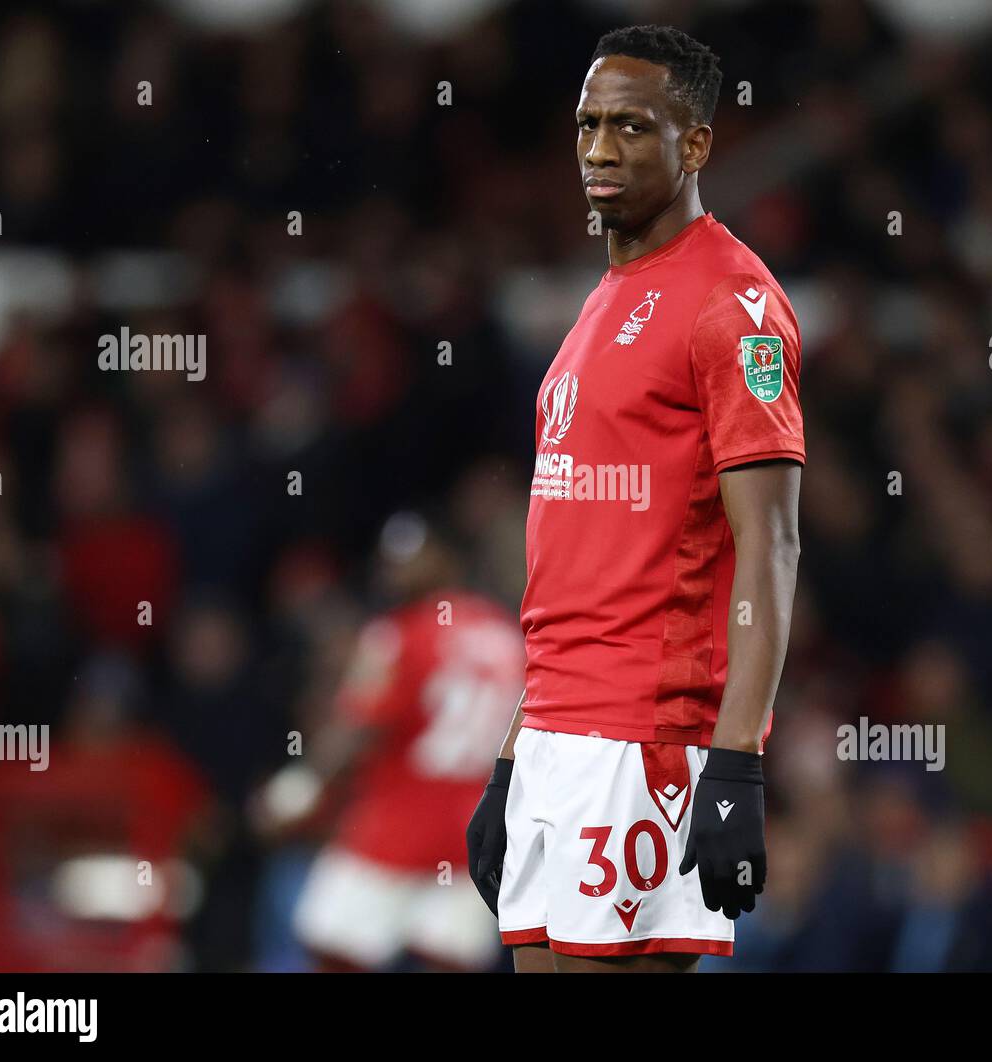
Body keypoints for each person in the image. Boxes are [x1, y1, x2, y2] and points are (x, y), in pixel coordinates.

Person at [466, 25, 804, 973]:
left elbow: (770, 545)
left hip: (644, 738)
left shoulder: (731, 304)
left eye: (630, 127)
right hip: (556, 738)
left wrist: (737, 759)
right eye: (586, 126)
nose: (600, 150)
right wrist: (510, 754)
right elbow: (572, 564)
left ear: (695, 145)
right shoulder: (603, 301)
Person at [256, 510, 524, 971]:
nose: (397, 571)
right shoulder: (506, 634)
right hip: (476, 830)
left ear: (447, 559)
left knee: (332, 950)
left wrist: (300, 788)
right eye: (393, 560)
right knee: (448, 961)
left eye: (412, 558)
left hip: (391, 828)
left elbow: (360, 729)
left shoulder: (398, 633)